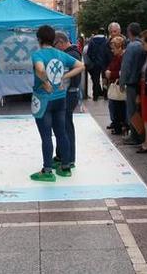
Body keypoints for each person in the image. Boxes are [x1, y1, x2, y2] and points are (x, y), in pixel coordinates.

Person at [30, 26, 84, 181]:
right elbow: (81, 66)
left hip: (44, 100)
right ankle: (65, 167)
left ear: (39, 39)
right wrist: (64, 76)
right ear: (53, 39)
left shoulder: (38, 54)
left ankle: (47, 171)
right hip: (61, 98)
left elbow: (40, 69)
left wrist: (45, 80)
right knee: (61, 133)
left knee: (46, 136)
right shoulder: (61, 54)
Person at [54, 31, 82, 170]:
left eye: (55, 45)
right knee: (62, 126)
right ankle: (62, 155)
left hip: (68, 94)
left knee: (66, 126)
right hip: (68, 93)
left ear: (60, 42)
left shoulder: (71, 55)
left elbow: (67, 76)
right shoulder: (71, 54)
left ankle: (69, 158)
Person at [119, 22, 145, 146]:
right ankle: (141, 135)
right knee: (139, 110)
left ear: (129, 32)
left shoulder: (132, 46)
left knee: (132, 111)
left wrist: (122, 82)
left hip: (132, 82)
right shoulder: (142, 45)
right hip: (141, 82)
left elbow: (126, 66)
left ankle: (135, 136)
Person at [105, 37, 126, 135]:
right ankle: (117, 125)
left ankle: (120, 126)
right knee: (116, 106)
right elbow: (110, 66)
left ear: (120, 47)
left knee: (119, 108)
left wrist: (111, 74)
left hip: (118, 86)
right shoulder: (116, 56)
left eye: (113, 48)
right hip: (114, 83)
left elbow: (122, 72)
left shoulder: (122, 57)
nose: (112, 50)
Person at [85, 28, 108, 101]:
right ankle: (105, 95)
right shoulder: (106, 41)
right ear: (104, 33)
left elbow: (89, 53)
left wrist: (93, 59)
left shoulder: (92, 41)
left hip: (95, 64)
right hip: (104, 63)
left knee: (96, 80)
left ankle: (95, 96)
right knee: (105, 79)